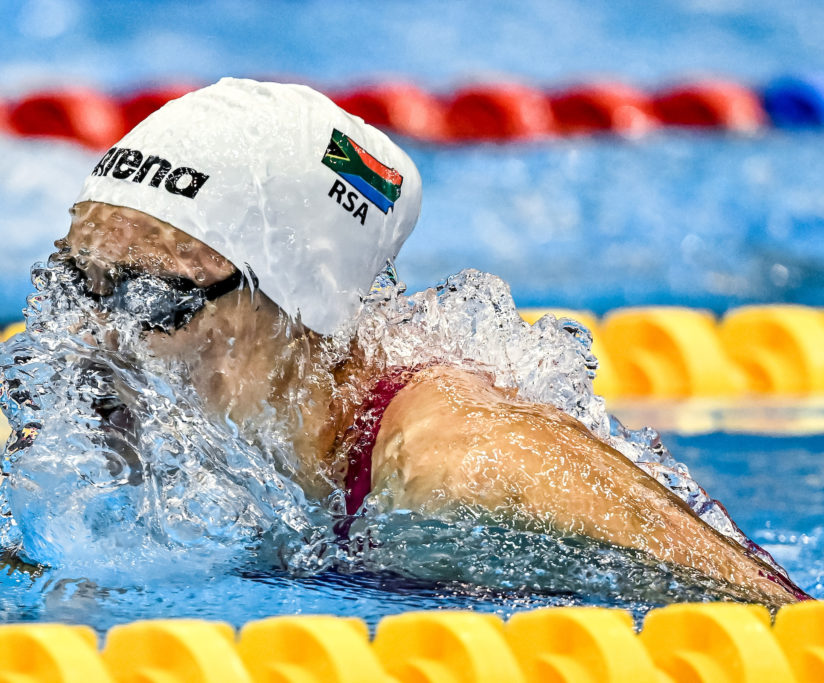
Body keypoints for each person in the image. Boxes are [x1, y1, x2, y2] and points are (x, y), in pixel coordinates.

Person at [55, 77, 807, 606]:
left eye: (150, 296)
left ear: (298, 308)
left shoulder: (461, 461)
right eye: (75, 283)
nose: (92, 335)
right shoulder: (255, 438)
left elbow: (781, 626)